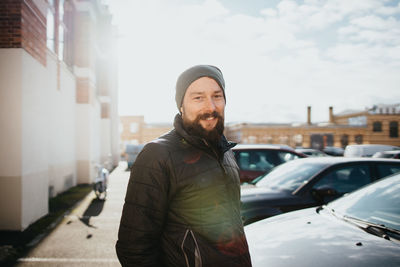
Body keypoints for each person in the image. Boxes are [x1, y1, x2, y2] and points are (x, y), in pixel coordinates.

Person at [115, 65, 252, 267]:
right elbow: (134, 248)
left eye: (217, 96)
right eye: (198, 98)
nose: (211, 107)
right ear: (181, 105)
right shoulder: (158, 155)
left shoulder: (226, 153)